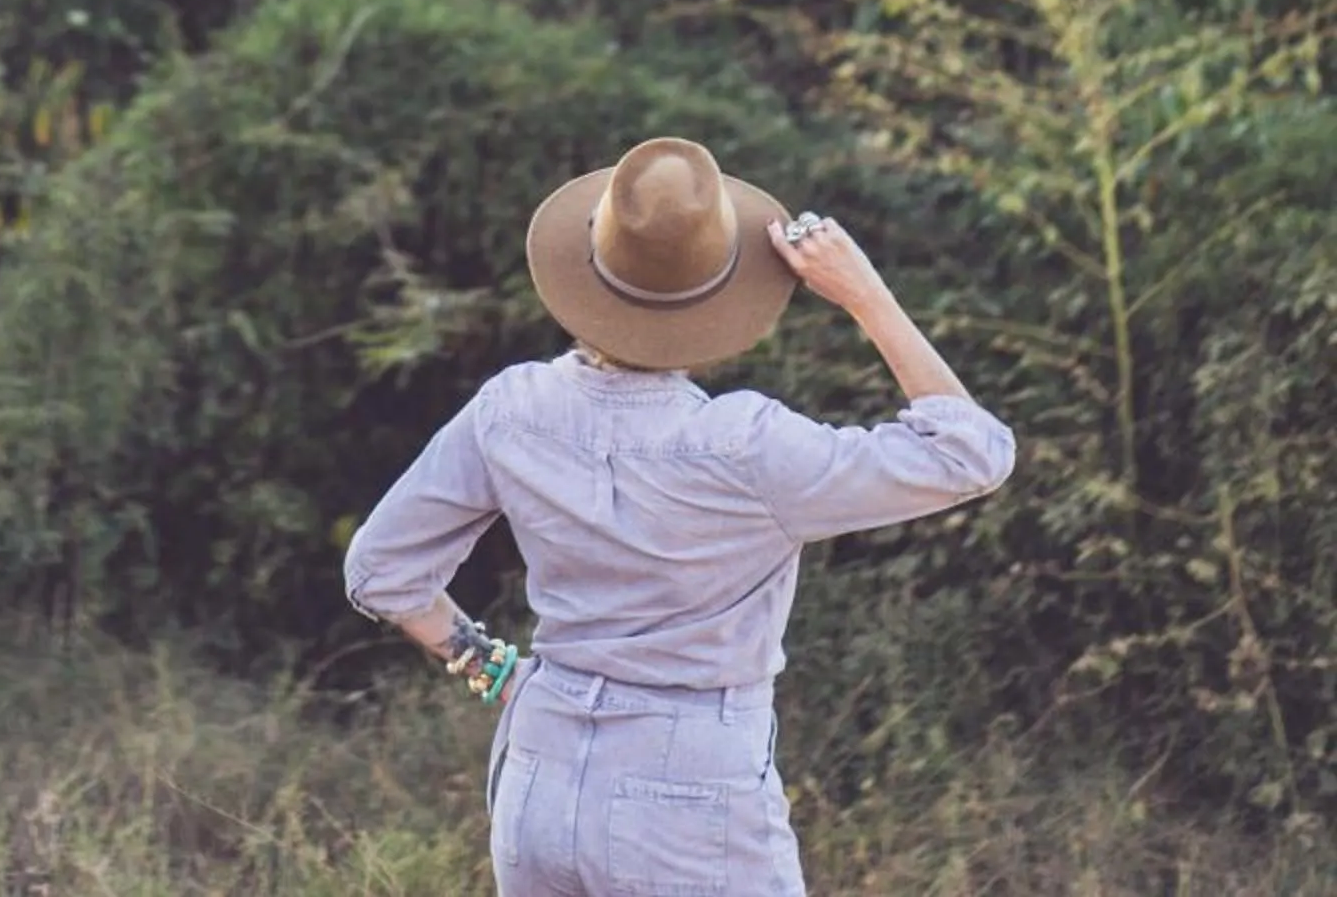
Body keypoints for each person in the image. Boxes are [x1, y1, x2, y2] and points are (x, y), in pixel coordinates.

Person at [343, 134, 1015, 897]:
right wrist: (864, 292)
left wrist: (487, 666)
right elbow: (972, 452)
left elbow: (380, 571)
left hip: (537, 769)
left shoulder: (512, 408)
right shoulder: (747, 446)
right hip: (688, 793)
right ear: (720, 300)